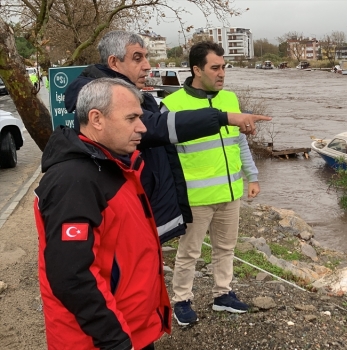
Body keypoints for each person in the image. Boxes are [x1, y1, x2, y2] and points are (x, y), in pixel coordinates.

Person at [64, 30, 271, 244]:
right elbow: (154, 127)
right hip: (127, 213)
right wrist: (221, 118)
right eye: (138, 58)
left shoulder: (139, 97)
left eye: (146, 57)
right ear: (114, 62)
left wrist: (251, 176)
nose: (147, 65)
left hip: (144, 210)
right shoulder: (103, 98)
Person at [34, 78, 171, 349]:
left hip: (131, 327)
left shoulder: (116, 165)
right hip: (99, 339)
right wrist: (115, 340)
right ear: (96, 119)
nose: (142, 127)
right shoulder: (74, 181)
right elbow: (71, 274)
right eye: (131, 118)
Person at [160, 41, 259, 326]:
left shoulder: (229, 99)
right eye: (215, 68)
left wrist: (252, 177)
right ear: (196, 70)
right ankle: (181, 300)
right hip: (195, 197)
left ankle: (222, 295)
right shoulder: (173, 105)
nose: (222, 73)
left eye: (224, 67)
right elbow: (165, 157)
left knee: (226, 248)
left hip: (230, 192)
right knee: (189, 252)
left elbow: (239, 142)